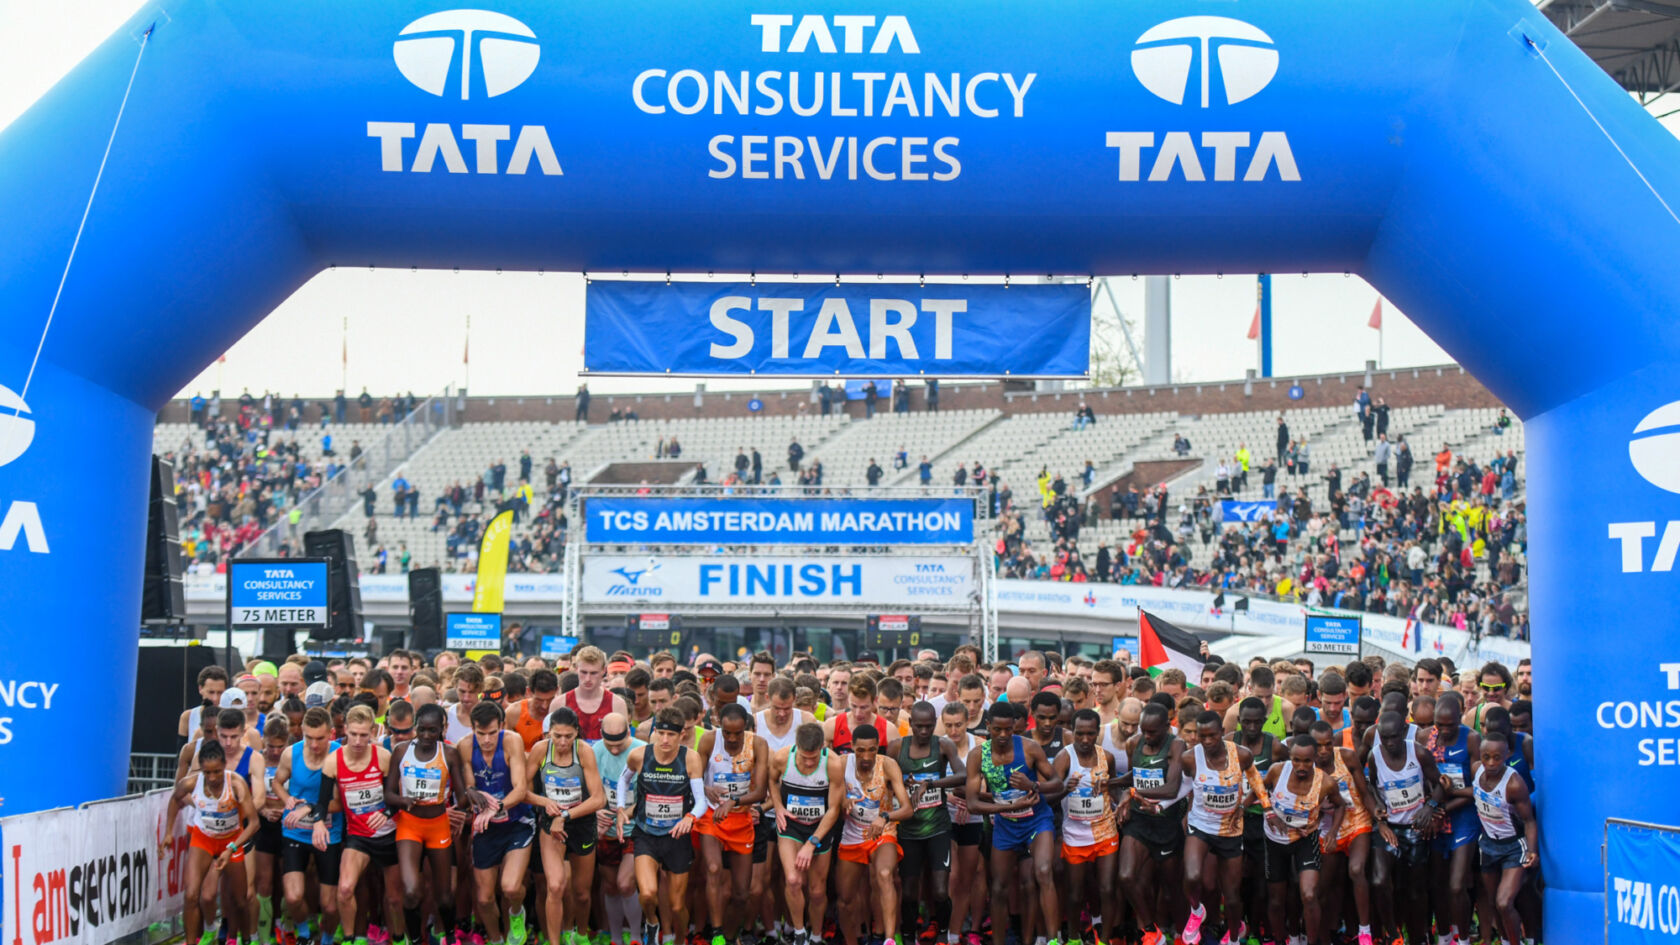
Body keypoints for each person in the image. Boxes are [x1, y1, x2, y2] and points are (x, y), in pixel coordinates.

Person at [967, 700, 1064, 945]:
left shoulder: (1030, 748)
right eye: (997, 729)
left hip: (1037, 820)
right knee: (999, 887)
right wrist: (1008, 807)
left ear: (1015, 726)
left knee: (1044, 872)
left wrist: (1033, 785)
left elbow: (1057, 783)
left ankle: (1053, 940)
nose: (1003, 735)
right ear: (987, 726)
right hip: (1006, 824)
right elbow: (972, 803)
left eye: (1008, 729)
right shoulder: (978, 756)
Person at [315, 704, 409, 945]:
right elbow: (322, 803)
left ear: (372, 732)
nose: (358, 741)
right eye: (353, 734)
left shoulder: (383, 757)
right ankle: (349, 939)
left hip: (389, 835)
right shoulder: (333, 761)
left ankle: (399, 938)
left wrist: (387, 813)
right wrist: (318, 822)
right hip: (358, 836)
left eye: (364, 735)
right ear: (345, 729)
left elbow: (398, 797)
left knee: (394, 899)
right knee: (345, 889)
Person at [619, 707, 709, 945]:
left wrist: (690, 817)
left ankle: (679, 940)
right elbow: (623, 780)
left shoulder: (690, 758)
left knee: (677, 905)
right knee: (648, 893)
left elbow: (701, 801)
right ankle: (652, 922)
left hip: (676, 836)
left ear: (681, 735)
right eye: (661, 733)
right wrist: (620, 808)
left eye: (671, 735)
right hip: (646, 833)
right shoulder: (639, 755)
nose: (665, 740)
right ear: (655, 732)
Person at [1179, 711, 1270, 945]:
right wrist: (1175, 808)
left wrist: (1257, 807)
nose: (1207, 741)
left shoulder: (1241, 754)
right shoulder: (1189, 758)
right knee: (1192, 876)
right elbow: (1184, 788)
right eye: (1202, 736)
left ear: (1222, 732)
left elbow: (1256, 780)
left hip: (1231, 830)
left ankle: (1233, 937)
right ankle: (1196, 910)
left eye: (1212, 735)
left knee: (1231, 896)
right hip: (1201, 825)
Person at [386, 703, 472, 945]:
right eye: (421, 729)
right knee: (411, 891)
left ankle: (450, 934)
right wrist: (403, 800)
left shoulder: (449, 754)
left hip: (438, 825)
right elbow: (388, 794)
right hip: (409, 825)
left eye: (432, 730)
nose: (425, 735)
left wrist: (470, 795)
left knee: (444, 896)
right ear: (415, 727)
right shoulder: (402, 751)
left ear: (441, 730)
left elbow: (461, 797)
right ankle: (415, 939)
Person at [164, 740, 260, 945]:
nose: (213, 778)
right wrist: (168, 832)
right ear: (201, 769)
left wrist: (232, 848)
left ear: (224, 765)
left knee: (241, 899)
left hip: (231, 840)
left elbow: (254, 824)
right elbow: (175, 799)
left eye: (217, 771)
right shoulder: (191, 783)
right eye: (207, 773)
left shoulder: (236, 784)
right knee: (191, 895)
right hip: (204, 839)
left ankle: (245, 939)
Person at [529, 706, 608, 945]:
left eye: (568, 736)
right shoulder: (540, 750)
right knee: (555, 887)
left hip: (580, 822)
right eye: (557, 736)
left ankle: (581, 934)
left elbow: (598, 799)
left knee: (581, 893)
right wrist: (545, 802)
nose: (563, 742)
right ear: (548, 733)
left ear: (577, 733)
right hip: (551, 824)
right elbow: (522, 790)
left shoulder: (584, 751)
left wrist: (565, 815)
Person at [695, 704, 770, 945]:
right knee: (713, 869)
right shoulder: (709, 740)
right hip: (712, 815)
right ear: (720, 726)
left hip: (740, 819)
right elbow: (694, 777)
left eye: (738, 733)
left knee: (741, 894)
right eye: (727, 732)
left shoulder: (758, 744)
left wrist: (733, 802)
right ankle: (716, 932)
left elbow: (761, 792)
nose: (732, 738)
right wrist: (706, 788)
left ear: (746, 728)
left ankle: (728, 937)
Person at [1368, 710, 1444, 945]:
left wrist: (1430, 807)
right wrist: (1378, 809)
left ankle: (1419, 936)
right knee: (1380, 881)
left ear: (1403, 732)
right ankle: (1392, 934)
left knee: (1414, 890)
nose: (1390, 743)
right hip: (1389, 828)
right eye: (1384, 738)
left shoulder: (1418, 753)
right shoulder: (1375, 756)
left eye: (1394, 737)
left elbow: (1441, 784)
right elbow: (1371, 786)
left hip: (1415, 829)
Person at [835, 720, 914, 945]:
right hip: (852, 834)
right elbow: (829, 798)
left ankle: (889, 940)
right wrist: (842, 801)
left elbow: (907, 809)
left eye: (872, 750)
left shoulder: (887, 765)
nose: (866, 756)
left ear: (878, 747)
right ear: (852, 746)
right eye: (861, 750)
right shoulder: (841, 764)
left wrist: (885, 817)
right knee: (845, 900)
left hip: (882, 832)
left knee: (885, 875)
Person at [1259, 736, 1342, 945]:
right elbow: (1258, 791)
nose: (1301, 766)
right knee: (1276, 900)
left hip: (1305, 839)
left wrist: (1332, 832)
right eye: (1296, 760)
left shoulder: (1326, 782)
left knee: (1309, 895)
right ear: (1290, 757)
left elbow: (1340, 805)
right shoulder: (1277, 771)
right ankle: (1282, 940)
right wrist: (1269, 813)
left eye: (1307, 761)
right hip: (1275, 841)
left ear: (1315, 758)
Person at [895, 703, 966, 945]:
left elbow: (963, 775)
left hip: (938, 827)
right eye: (919, 726)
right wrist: (902, 785)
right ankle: (908, 935)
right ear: (910, 724)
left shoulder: (943, 745)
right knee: (908, 892)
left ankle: (943, 933)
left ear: (935, 723)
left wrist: (931, 784)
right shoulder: (897, 747)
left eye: (929, 726)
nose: (924, 731)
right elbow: (884, 777)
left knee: (940, 890)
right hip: (908, 830)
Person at [771, 722, 847, 945]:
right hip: (792, 826)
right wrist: (778, 806)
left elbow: (834, 809)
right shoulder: (782, 758)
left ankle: (816, 936)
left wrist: (812, 842)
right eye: (805, 757)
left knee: (816, 891)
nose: (809, 763)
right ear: (797, 746)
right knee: (793, 880)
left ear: (822, 747)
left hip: (820, 827)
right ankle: (799, 933)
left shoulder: (832, 763)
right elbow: (771, 781)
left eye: (814, 758)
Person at [273, 706, 343, 945]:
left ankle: (326, 939)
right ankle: (304, 934)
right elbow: (277, 782)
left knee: (330, 906)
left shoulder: (338, 755)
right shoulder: (290, 754)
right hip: (296, 832)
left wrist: (310, 808)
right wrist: (287, 799)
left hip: (329, 833)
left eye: (320, 738)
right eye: (309, 738)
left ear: (331, 734)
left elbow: (340, 803)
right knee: (293, 897)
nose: (314, 745)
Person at [1051, 709, 1121, 945]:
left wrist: (1122, 802)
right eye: (1079, 733)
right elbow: (1048, 798)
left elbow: (1114, 788)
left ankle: (1104, 940)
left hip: (1105, 831)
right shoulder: (1064, 758)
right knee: (1075, 893)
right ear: (1072, 731)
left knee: (1107, 888)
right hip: (1075, 835)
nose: (1084, 739)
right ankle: (1073, 938)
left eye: (1090, 734)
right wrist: (1065, 789)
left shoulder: (1106, 757)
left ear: (1097, 732)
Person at [1471, 731, 1539, 945]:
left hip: (1513, 846)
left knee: (1504, 903)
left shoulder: (1514, 784)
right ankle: (1505, 940)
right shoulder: (1476, 770)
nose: (1491, 763)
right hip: (1488, 844)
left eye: (1497, 758)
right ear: (1480, 755)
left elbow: (1529, 821)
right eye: (1486, 757)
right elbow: (1475, 793)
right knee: (1493, 903)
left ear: (1507, 755)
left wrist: (1532, 850)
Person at [567, 647, 631, 742]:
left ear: (603, 671)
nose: (588, 679)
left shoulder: (617, 704)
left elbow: (624, 743)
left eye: (593, 673)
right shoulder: (560, 703)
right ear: (576, 669)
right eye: (583, 672)